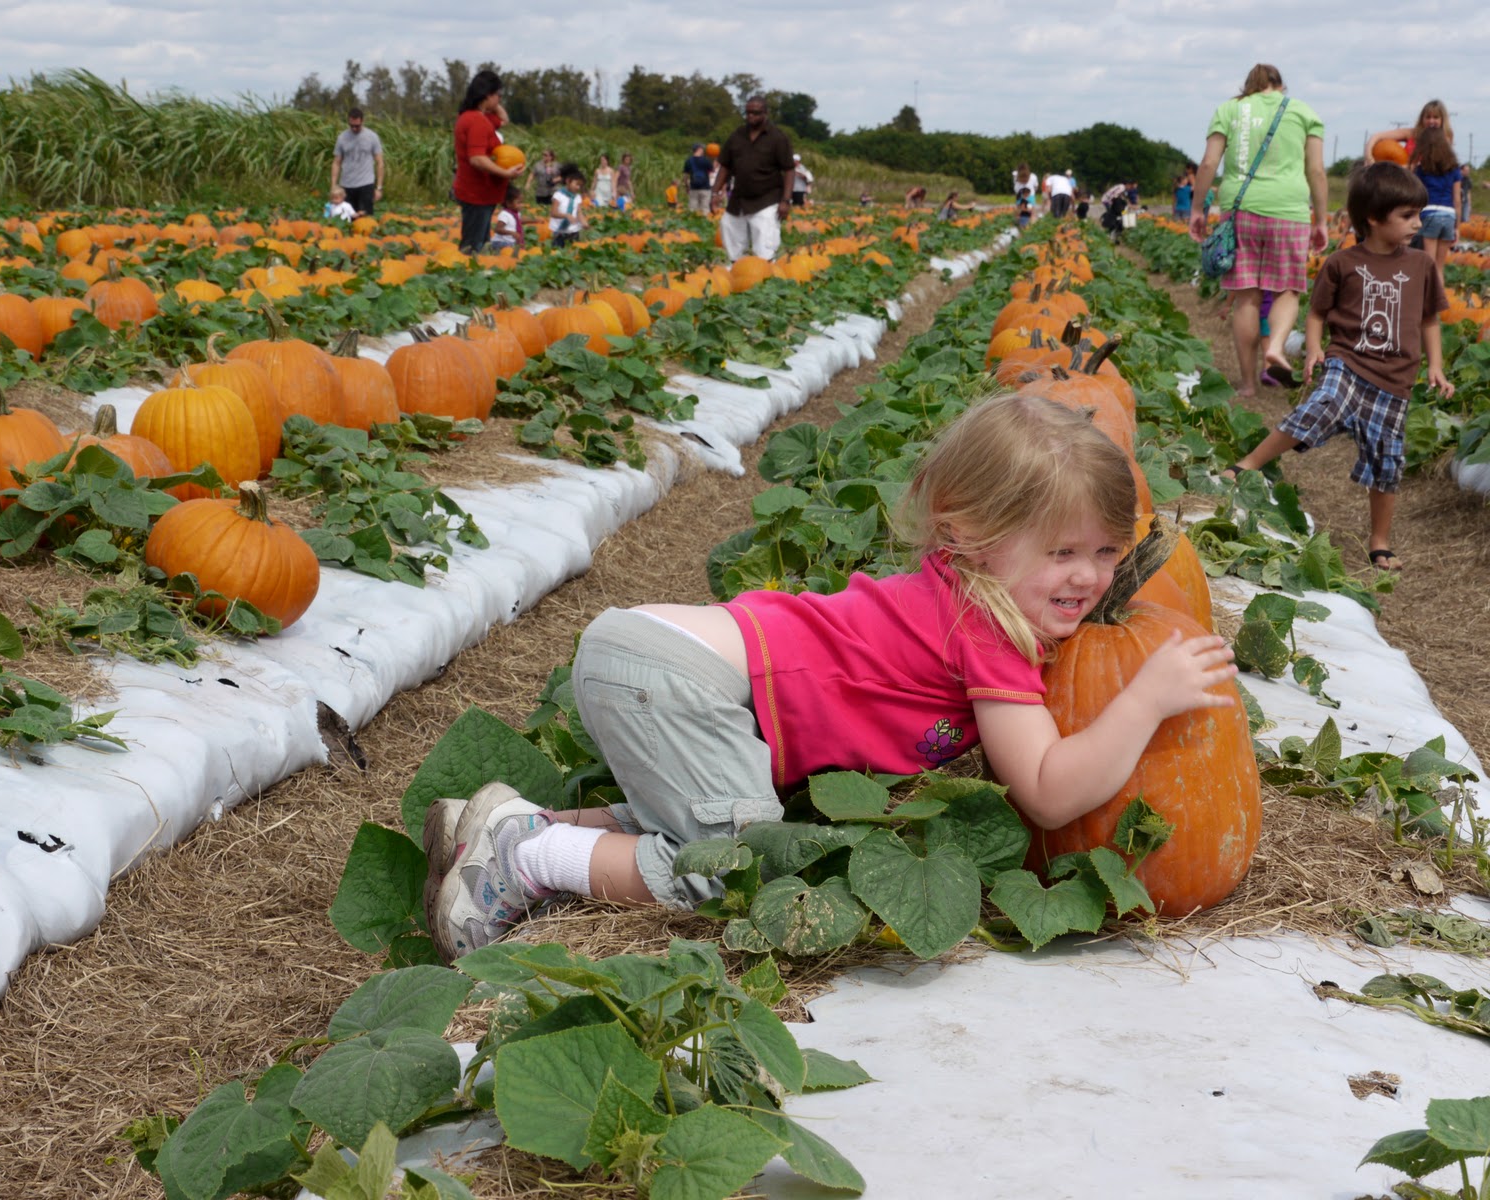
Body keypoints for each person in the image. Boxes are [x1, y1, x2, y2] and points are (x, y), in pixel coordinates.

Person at [424, 392, 1238, 963]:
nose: (1090, 577)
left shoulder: (964, 591)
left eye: (1105, 552)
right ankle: (526, 856)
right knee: (728, 870)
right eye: (1062, 552)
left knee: (701, 805)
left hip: (664, 662)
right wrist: (1143, 699)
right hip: (674, 677)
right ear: (968, 536)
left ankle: (511, 815)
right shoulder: (986, 625)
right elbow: (1050, 791)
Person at [1219, 163, 1453, 573]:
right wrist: (1312, 349)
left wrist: (1436, 367)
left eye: (1418, 214)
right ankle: (1248, 465)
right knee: (1321, 404)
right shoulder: (1342, 263)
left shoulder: (1421, 266)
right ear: (1374, 219)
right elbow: (1317, 312)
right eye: (1407, 216)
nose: (1418, 223)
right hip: (1348, 362)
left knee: (1387, 461)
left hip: (1396, 380)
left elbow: (1430, 320)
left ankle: (1379, 541)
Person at [1188, 63, 1329, 397]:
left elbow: (1208, 164)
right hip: (1289, 210)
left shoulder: (1228, 109)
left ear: (1248, 86)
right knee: (1287, 290)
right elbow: (1317, 170)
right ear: (1280, 86)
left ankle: (1248, 384)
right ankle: (1277, 347)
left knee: (1246, 296)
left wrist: (1198, 209)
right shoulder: (1304, 112)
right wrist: (1321, 219)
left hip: (1240, 208)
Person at [710, 95, 795, 262]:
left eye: (755, 113)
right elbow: (725, 166)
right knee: (729, 229)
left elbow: (789, 170)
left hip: (767, 198)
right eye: (748, 113)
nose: (751, 116)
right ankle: (737, 269)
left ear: (765, 113)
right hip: (739, 198)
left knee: (764, 241)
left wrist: (786, 200)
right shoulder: (737, 136)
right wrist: (714, 193)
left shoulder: (777, 138)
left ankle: (765, 273)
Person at [452, 70, 524, 254]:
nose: (500, 100)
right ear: (487, 95)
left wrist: (490, 104)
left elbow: (504, 120)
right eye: (498, 95)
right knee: (473, 246)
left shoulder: (477, 117)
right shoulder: (476, 121)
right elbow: (477, 159)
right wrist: (506, 173)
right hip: (477, 193)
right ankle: (464, 277)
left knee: (480, 242)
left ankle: (469, 274)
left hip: (481, 194)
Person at [1411, 128, 1462, 271]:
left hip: (1430, 214)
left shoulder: (1422, 169)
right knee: (1439, 268)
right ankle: (1441, 293)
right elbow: (1457, 200)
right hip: (1449, 216)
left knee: (1429, 266)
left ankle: (1427, 293)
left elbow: (1416, 196)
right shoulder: (1454, 169)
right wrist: (1457, 227)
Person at [330, 107, 384, 217]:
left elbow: (380, 163)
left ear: (362, 121)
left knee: (365, 220)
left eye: (357, 126)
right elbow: (336, 163)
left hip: (366, 184)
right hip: (347, 185)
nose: (354, 129)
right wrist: (333, 185)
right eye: (351, 126)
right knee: (347, 220)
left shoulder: (372, 137)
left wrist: (379, 188)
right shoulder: (342, 138)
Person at [1363, 99, 1452, 165]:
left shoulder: (1446, 138)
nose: (1431, 121)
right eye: (1428, 117)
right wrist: (1369, 157)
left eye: (1435, 117)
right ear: (1422, 119)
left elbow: (1430, 165)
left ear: (1442, 120)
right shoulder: (1412, 133)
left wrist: (1400, 168)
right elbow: (1377, 136)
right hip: (1404, 179)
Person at [548, 164, 586, 248]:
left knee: (573, 253)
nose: (578, 187)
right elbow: (553, 213)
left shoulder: (577, 197)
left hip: (573, 230)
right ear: (568, 181)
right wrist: (566, 215)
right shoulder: (558, 195)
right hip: (559, 231)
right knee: (557, 252)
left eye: (580, 185)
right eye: (576, 184)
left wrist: (584, 222)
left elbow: (579, 212)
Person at [488, 185, 524, 252]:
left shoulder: (515, 213)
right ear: (509, 203)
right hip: (500, 242)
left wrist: (535, 220)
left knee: (517, 249)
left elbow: (520, 220)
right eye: (519, 203)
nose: (522, 205)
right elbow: (498, 229)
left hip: (509, 242)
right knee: (513, 250)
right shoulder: (505, 214)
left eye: (522, 202)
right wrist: (512, 233)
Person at [682, 143, 715, 214]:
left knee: (693, 209)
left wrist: (687, 187)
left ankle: (693, 223)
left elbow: (685, 176)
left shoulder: (688, 161)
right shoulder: (706, 161)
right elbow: (712, 176)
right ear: (699, 149)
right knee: (705, 208)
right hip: (705, 188)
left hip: (693, 188)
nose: (703, 150)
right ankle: (706, 223)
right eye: (702, 149)